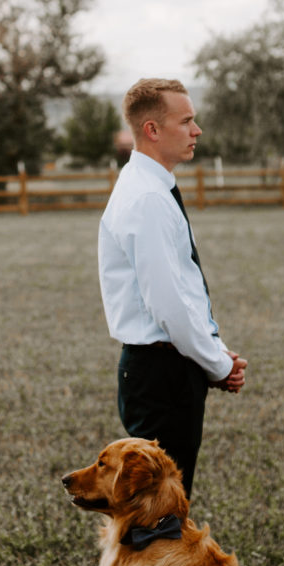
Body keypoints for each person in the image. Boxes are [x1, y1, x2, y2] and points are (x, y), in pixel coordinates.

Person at [97, 78, 247, 500]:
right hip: (163, 375)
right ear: (152, 130)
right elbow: (169, 306)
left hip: (165, 367)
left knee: (160, 512)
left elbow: (180, 291)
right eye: (187, 121)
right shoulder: (147, 198)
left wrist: (214, 353)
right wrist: (217, 365)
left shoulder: (150, 189)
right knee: (159, 517)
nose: (197, 130)